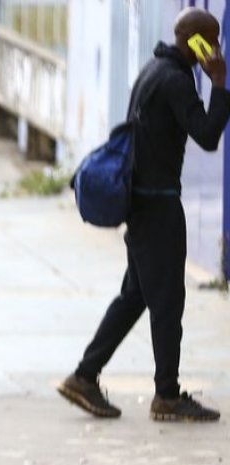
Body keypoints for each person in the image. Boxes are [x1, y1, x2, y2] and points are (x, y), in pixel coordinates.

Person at [59, 8, 229, 422]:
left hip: (144, 203)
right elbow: (207, 135)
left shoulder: (154, 68)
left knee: (136, 296)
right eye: (213, 40)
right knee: (168, 303)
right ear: (198, 43)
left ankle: (84, 376)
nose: (217, 49)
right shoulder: (174, 80)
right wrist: (220, 83)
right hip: (158, 206)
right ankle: (166, 395)